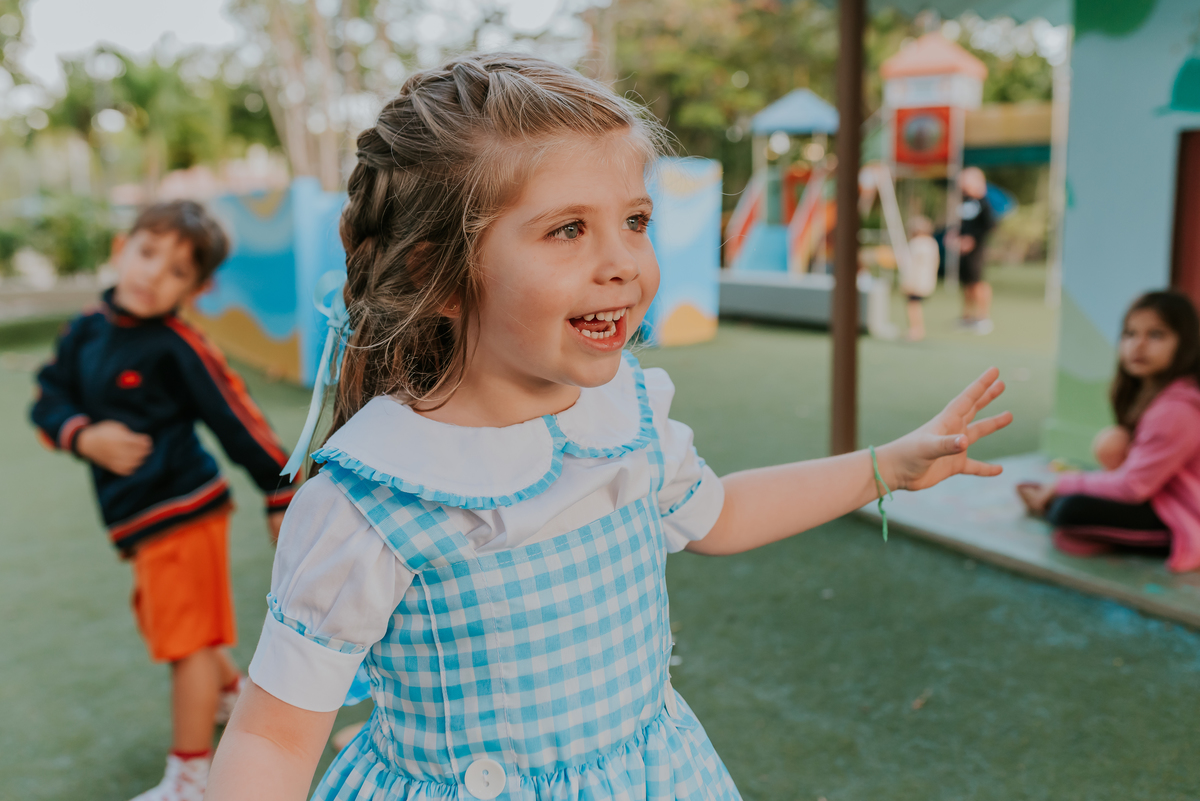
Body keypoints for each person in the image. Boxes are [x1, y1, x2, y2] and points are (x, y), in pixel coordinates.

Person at [206, 53, 1012, 801]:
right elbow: (273, 740)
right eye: (567, 230)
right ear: (434, 274)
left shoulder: (626, 414)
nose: (624, 261)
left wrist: (886, 467)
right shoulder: (372, 502)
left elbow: (720, 513)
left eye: (634, 220)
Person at [30, 200, 298, 801]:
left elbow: (235, 417)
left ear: (198, 289)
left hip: (185, 511)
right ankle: (232, 695)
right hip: (138, 520)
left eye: (178, 271)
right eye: (149, 253)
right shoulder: (87, 330)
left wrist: (281, 488)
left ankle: (190, 775)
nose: (155, 274)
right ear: (123, 248)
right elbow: (48, 399)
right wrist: (83, 434)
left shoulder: (178, 345)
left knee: (186, 647)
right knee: (184, 632)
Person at [1017, 291, 1200, 571]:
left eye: (1156, 335)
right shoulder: (1156, 394)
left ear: (1185, 344)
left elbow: (1132, 487)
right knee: (1113, 442)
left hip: (1185, 518)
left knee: (1069, 510)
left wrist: (1061, 485)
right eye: (1129, 334)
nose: (1138, 346)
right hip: (1163, 496)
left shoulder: (1176, 409)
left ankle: (1098, 529)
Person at [954, 166, 996, 334]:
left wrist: (972, 239)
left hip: (977, 249)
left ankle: (983, 317)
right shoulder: (965, 201)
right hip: (963, 250)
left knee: (978, 282)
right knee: (967, 283)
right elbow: (962, 224)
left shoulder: (984, 202)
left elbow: (989, 226)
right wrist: (956, 236)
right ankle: (968, 316)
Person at [899, 215, 939, 341]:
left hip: (916, 280)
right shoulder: (932, 243)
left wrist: (909, 281)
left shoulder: (917, 243)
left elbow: (911, 264)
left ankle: (916, 329)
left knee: (913, 305)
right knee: (915, 304)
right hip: (925, 279)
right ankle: (917, 329)